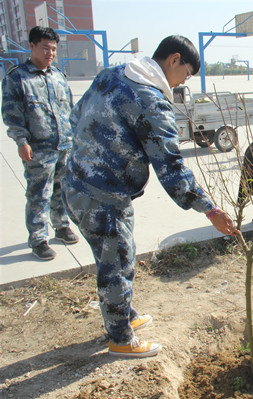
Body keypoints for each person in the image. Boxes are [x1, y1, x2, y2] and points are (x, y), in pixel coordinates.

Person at [63, 35, 238, 358]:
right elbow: (171, 168)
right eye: (186, 73)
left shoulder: (112, 74)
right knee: (114, 265)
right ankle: (120, 338)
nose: (184, 81)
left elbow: (75, 118)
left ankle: (123, 314)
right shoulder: (151, 101)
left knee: (119, 256)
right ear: (174, 60)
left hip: (75, 183)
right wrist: (210, 210)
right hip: (103, 198)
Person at [1, 26, 79, 261]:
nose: (50, 53)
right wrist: (21, 141)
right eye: (45, 47)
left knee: (61, 190)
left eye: (54, 49)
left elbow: (70, 111)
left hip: (64, 144)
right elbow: (12, 114)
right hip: (38, 148)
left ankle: (61, 226)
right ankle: (38, 238)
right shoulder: (17, 77)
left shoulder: (58, 76)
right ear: (32, 46)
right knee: (39, 194)